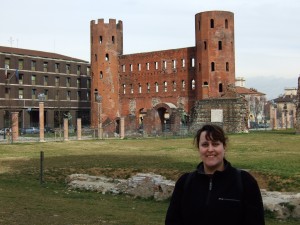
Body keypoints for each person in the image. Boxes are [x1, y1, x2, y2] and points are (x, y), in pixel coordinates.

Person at [165, 124, 265, 225]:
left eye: (215, 144)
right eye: (205, 145)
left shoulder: (245, 182)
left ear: (224, 147)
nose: (210, 149)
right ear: (198, 148)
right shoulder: (185, 183)